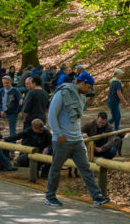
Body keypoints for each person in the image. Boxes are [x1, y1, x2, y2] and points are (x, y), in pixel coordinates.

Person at [44, 72, 109, 207]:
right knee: (56, 168)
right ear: (82, 83)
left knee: (85, 168)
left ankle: (96, 196)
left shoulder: (81, 96)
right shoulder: (62, 93)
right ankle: (50, 196)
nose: (89, 90)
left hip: (77, 139)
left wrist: (80, 135)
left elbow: (76, 118)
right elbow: (51, 116)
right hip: (62, 139)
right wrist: (57, 133)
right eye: (88, 87)